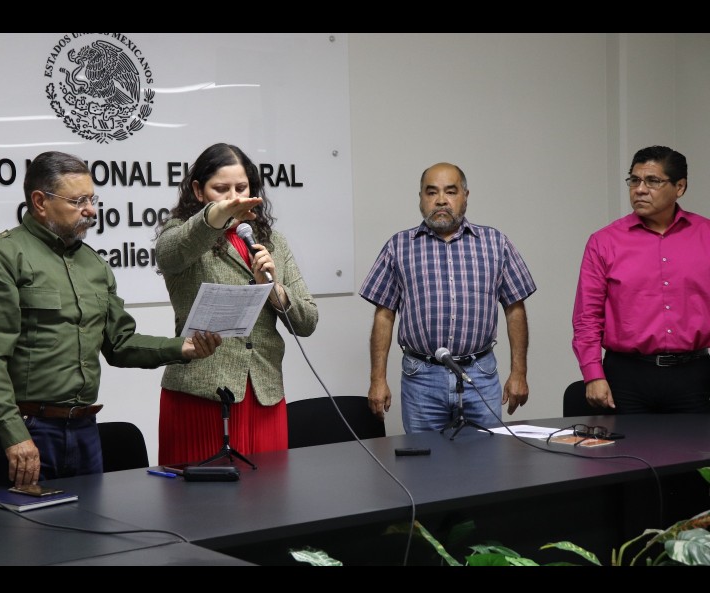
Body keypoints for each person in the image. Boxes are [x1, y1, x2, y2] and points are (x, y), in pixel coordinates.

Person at [0, 150, 222, 489]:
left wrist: (184, 348)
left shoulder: (94, 265)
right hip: (25, 429)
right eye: (78, 201)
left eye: (92, 199)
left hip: (84, 430)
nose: (91, 210)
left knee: (93, 524)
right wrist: (14, 435)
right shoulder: (0, 258)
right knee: (23, 525)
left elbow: (120, 344)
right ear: (40, 202)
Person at [154, 142, 318, 465]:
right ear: (198, 191)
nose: (234, 198)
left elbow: (308, 321)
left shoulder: (272, 241)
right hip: (201, 395)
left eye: (241, 188)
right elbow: (170, 254)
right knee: (201, 495)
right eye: (221, 189)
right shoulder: (182, 234)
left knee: (269, 492)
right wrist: (215, 216)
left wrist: (273, 289)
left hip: (264, 394)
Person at [359, 162, 536, 432]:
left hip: (480, 376)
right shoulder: (398, 247)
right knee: (424, 458)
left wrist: (519, 373)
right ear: (421, 198)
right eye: (431, 192)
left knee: (487, 457)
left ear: (465, 196)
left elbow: (515, 309)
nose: (441, 200)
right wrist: (377, 380)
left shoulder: (495, 243)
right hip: (421, 379)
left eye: (450, 191)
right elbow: (384, 316)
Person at [572, 145, 710, 413]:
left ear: (680, 187)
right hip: (627, 377)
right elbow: (587, 317)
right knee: (627, 442)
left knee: (696, 442)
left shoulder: (706, 235)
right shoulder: (604, 241)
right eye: (634, 180)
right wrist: (593, 374)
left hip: (695, 375)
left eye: (653, 181)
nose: (640, 189)